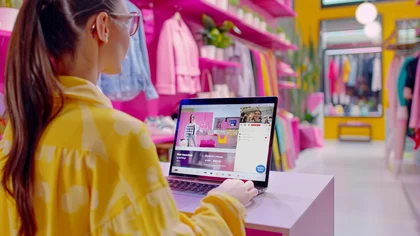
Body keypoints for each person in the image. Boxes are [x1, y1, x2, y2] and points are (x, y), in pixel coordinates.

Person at [0, 1, 258, 235]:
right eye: (129, 22)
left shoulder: (18, 130)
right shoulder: (119, 136)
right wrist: (225, 202)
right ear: (102, 26)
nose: (131, 37)